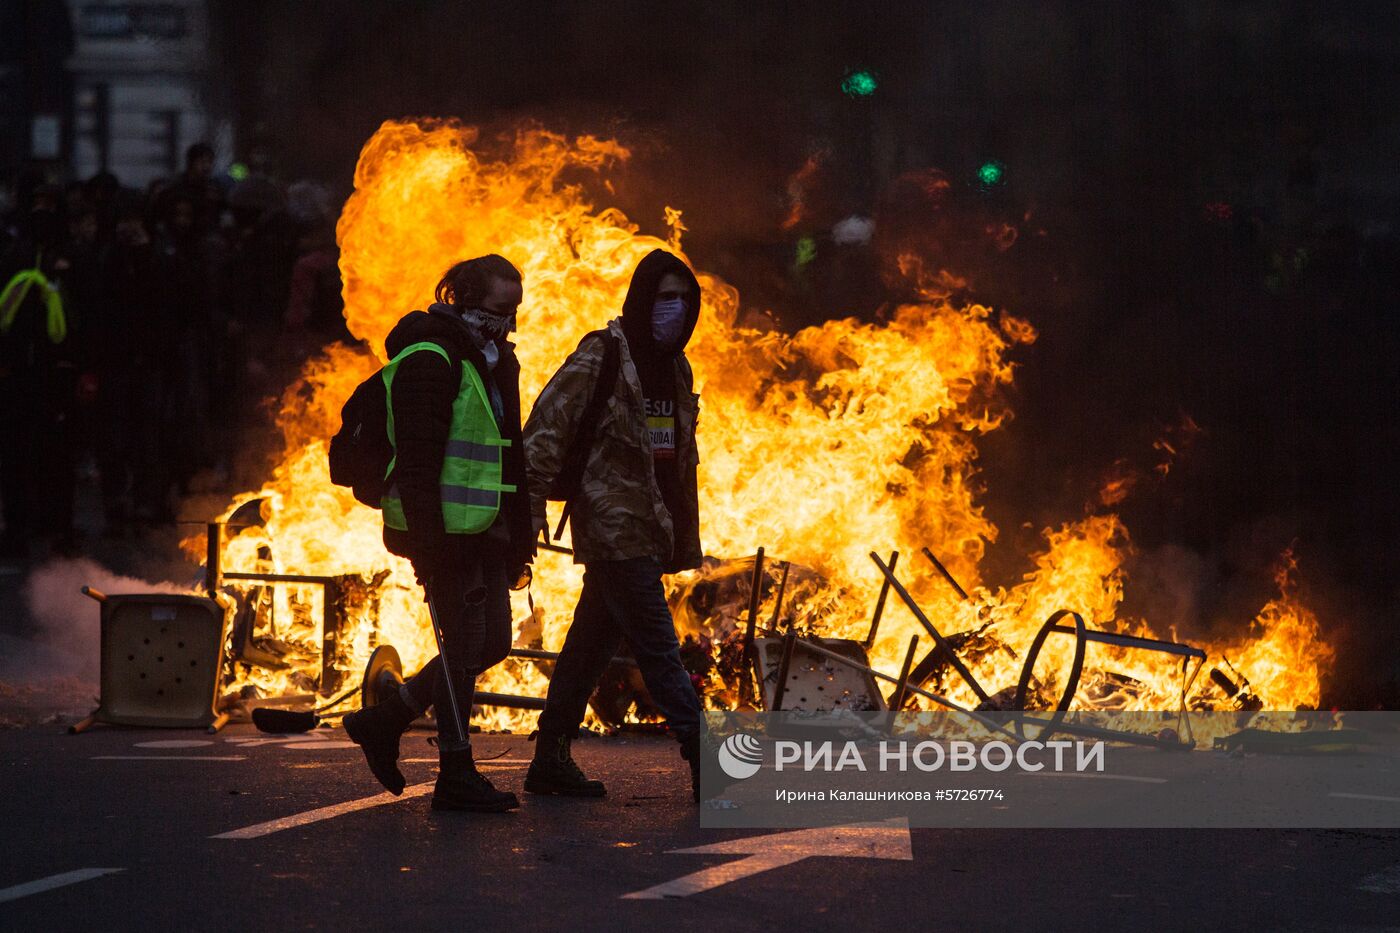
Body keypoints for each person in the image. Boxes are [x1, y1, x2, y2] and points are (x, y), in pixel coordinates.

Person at [342, 254, 535, 813]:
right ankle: (456, 771)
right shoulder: (430, 358)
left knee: (491, 644)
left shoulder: (496, 361)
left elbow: (509, 455)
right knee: (466, 646)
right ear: (464, 300)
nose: (508, 322)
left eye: (515, 311)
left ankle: (387, 717)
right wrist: (429, 547)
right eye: (499, 309)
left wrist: (520, 539)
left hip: (487, 528)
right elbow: (419, 465)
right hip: (446, 534)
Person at [522, 248, 705, 800]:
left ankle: (550, 756)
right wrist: (529, 513)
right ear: (641, 299)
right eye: (665, 297)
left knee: (590, 646)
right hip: (612, 526)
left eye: (685, 300)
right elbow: (544, 434)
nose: (675, 309)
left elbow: (677, 460)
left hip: (651, 528)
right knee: (657, 644)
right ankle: (706, 755)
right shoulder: (601, 355)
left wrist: (683, 533)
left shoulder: (676, 368)